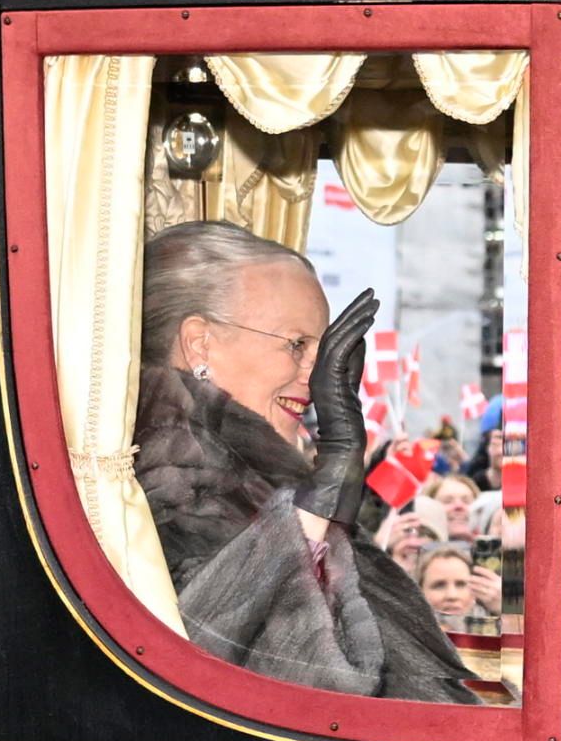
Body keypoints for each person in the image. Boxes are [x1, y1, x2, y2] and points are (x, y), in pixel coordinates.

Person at [130, 219, 475, 701]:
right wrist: (329, 481)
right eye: (297, 345)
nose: (318, 378)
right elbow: (278, 683)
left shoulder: (249, 469)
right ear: (200, 344)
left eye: (326, 350)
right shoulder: (172, 470)